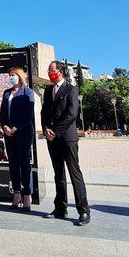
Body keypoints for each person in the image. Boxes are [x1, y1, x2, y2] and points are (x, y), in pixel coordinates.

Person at [41, 61, 90, 225]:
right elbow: (44, 112)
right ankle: (60, 208)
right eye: (49, 70)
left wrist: (56, 131)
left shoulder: (71, 89)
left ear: (60, 71)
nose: (49, 73)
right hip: (52, 138)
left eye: (52, 70)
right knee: (58, 175)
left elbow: (71, 114)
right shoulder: (48, 91)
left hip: (67, 138)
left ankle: (83, 211)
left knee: (74, 173)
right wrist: (46, 128)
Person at [0, 67, 35, 211]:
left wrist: (16, 127)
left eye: (13, 75)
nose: (11, 77)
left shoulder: (28, 92)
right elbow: (2, 112)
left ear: (20, 76)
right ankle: (16, 193)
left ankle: (27, 194)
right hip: (9, 134)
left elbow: (28, 114)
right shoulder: (6, 93)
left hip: (23, 132)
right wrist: (5, 126)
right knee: (13, 163)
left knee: (24, 163)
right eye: (9, 75)